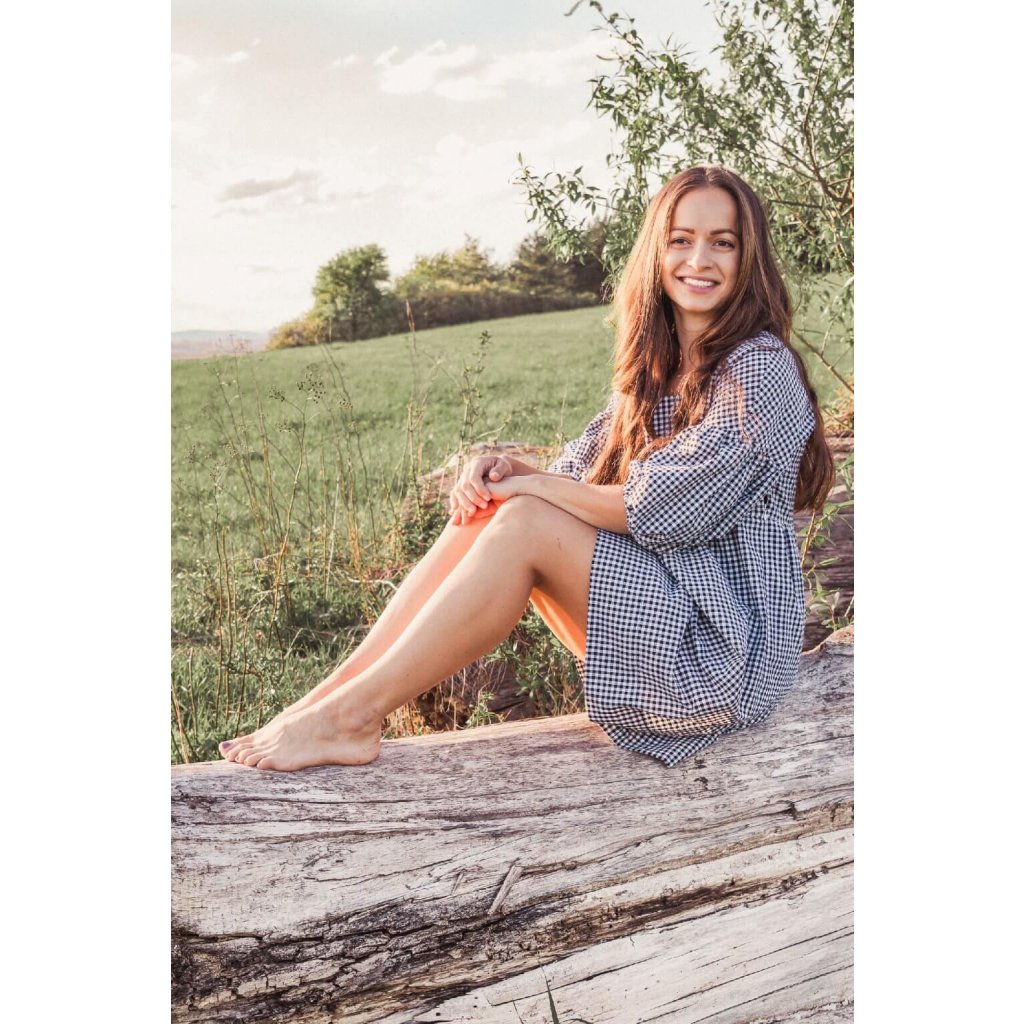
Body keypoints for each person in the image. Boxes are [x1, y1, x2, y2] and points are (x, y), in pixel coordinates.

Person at [219, 164, 835, 772]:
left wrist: (532, 485)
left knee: (527, 519)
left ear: (748, 259)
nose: (699, 259)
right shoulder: (657, 370)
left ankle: (353, 716)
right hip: (670, 620)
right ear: (656, 251)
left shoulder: (758, 367)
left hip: (725, 655)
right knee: (496, 506)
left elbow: (664, 507)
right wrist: (506, 470)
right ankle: (329, 700)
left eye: (722, 243)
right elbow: (579, 473)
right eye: (681, 239)